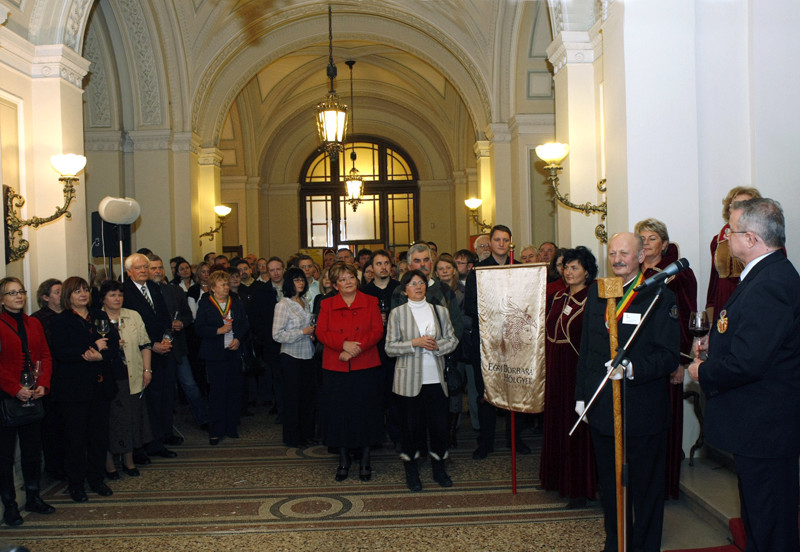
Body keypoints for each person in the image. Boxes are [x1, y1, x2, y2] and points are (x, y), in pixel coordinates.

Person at [689, 198, 800, 552]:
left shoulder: (771, 282)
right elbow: (754, 339)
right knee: (759, 517)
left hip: (766, 427)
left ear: (751, 239)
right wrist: (716, 342)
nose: (725, 240)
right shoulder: (765, 275)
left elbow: (750, 363)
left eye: (730, 232)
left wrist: (703, 371)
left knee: (770, 524)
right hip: (759, 427)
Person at [575, 232, 679, 552]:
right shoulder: (598, 293)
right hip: (604, 408)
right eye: (613, 253)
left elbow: (668, 356)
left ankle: (646, 547)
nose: (618, 259)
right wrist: (582, 397)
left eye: (625, 253)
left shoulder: (659, 296)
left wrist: (632, 368)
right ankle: (616, 542)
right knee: (610, 485)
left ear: (641, 257)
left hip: (644, 411)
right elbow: (589, 349)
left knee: (646, 489)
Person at [635, 218, 697, 499]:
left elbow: (685, 319)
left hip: (666, 360)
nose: (646, 244)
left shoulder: (679, 275)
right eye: (642, 239)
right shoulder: (635, 273)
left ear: (664, 243)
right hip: (638, 362)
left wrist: (681, 362)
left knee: (664, 424)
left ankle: (663, 486)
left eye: (652, 238)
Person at [385, 270, 459, 492]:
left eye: (421, 283)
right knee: (411, 429)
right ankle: (412, 472)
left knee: (438, 427)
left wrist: (438, 347)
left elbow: (452, 340)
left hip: (435, 379)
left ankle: (439, 469)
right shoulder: (397, 313)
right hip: (408, 381)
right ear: (404, 289)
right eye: (412, 283)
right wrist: (414, 343)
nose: (418, 287)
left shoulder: (440, 311)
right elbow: (389, 348)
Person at [50, 276, 119, 503]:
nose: (83, 294)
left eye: (86, 290)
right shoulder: (60, 321)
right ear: (68, 296)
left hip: (100, 387)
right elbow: (60, 352)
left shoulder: (99, 316)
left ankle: (96, 479)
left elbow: (114, 343)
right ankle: (76, 484)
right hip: (74, 390)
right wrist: (89, 350)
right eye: (77, 291)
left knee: (98, 437)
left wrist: (101, 355)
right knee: (76, 439)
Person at [464, 224, 531, 459]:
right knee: (486, 393)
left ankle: (515, 439)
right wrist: (496, 313)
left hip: (514, 342)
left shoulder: (521, 269)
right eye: (497, 240)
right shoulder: (478, 271)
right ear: (490, 243)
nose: (501, 244)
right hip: (487, 341)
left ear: (510, 243)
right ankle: (486, 441)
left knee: (515, 388)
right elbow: (469, 306)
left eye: (505, 240)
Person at [539, 247, 598, 509]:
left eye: (575, 267)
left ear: (587, 271)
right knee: (558, 424)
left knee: (577, 429)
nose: (569, 272)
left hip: (577, 372)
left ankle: (579, 488)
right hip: (555, 370)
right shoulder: (558, 297)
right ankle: (556, 479)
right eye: (566, 267)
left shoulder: (593, 298)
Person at [316, 262, 383, 482]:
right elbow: (321, 332)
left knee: (365, 413)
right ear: (335, 285)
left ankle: (365, 460)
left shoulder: (370, 301)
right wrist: (343, 345)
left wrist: (356, 348)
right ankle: (343, 460)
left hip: (365, 365)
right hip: (336, 367)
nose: (348, 282)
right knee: (339, 414)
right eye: (343, 279)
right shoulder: (327, 304)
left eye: (351, 277)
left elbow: (377, 331)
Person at [0, 277, 55, 525]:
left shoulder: (33, 323)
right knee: (5, 456)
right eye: (11, 293)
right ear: (2, 299)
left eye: (21, 291)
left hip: (33, 395)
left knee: (33, 451)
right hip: (6, 398)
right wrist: (14, 389)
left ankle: (33, 496)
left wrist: (43, 382)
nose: (18, 296)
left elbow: (44, 355)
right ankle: (10, 505)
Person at [122, 253, 176, 461]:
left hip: (162, 351)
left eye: (146, 267)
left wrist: (165, 339)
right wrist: (152, 345)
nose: (144, 270)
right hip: (140, 354)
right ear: (129, 272)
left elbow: (163, 316)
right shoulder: (125, 293)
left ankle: (161, 438)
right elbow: (130, 327)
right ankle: (144, 444)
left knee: (163, 397)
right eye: (139, 268)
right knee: (145, 402)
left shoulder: (154, 287)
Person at [99, 280, 152, 480]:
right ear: (103, 298)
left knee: (131, 419)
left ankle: (129, 461)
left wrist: (147, 370)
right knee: (111, 421)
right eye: (112, 295)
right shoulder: (97, 318)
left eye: (120, 295)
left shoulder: (133, 315)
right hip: (108, 377)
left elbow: (145, 344)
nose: (117, 299)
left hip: (133, 374)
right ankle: (109, 464)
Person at [194, 270, 250, 445]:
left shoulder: (236, 302)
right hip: (215, 354)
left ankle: (231, 426)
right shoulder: (205, 304)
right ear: (213, 288)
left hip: (233, 351)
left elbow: (244, 324)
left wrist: (238, 338)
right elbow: (199, 328)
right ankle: (216, 430)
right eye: (222, 285)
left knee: (234, 390)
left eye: (227, 284)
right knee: (217, 392)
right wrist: (217, 331)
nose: (226, 287)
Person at [271, 268, 316, 448]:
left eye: (302, 280)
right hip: (291, 356)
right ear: (290, 282)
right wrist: (302, 332)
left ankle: (306, 433)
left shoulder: (304, 301)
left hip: (308, 354)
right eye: (297, 280)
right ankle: (293, 437)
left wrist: (311, 334)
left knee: (307, 398)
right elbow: (277, 334)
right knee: (293, 398)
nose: (301, 283)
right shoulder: (283, 304)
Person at [705, 186, 762, 320]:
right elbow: (713, 281)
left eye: (746, 204)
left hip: (751, 296)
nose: (740, 209)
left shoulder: (766, 236)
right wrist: (710, 310)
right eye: (736, 205)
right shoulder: (717, 240)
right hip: (723, 298)